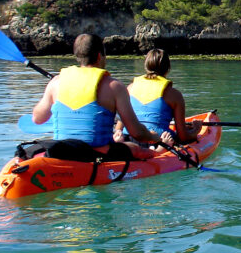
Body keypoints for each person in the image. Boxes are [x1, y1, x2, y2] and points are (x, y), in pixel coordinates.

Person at [32, 33, 165, 161]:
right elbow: (137, 133)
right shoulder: (114, 86)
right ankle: (158, 153)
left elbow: (37, 119)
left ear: (77, 56)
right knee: (134, 148)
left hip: (62, 150)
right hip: (96, 152)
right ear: (99, 56)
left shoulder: (55, 82)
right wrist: (154, 137)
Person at [115, 48, 202, 145]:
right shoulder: (174, 95)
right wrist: (197, 129)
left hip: (129, 139)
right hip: (159, 140)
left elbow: (119, 127)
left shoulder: (130, 88)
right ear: (168, 69)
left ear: (146, 66)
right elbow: (183, 136)